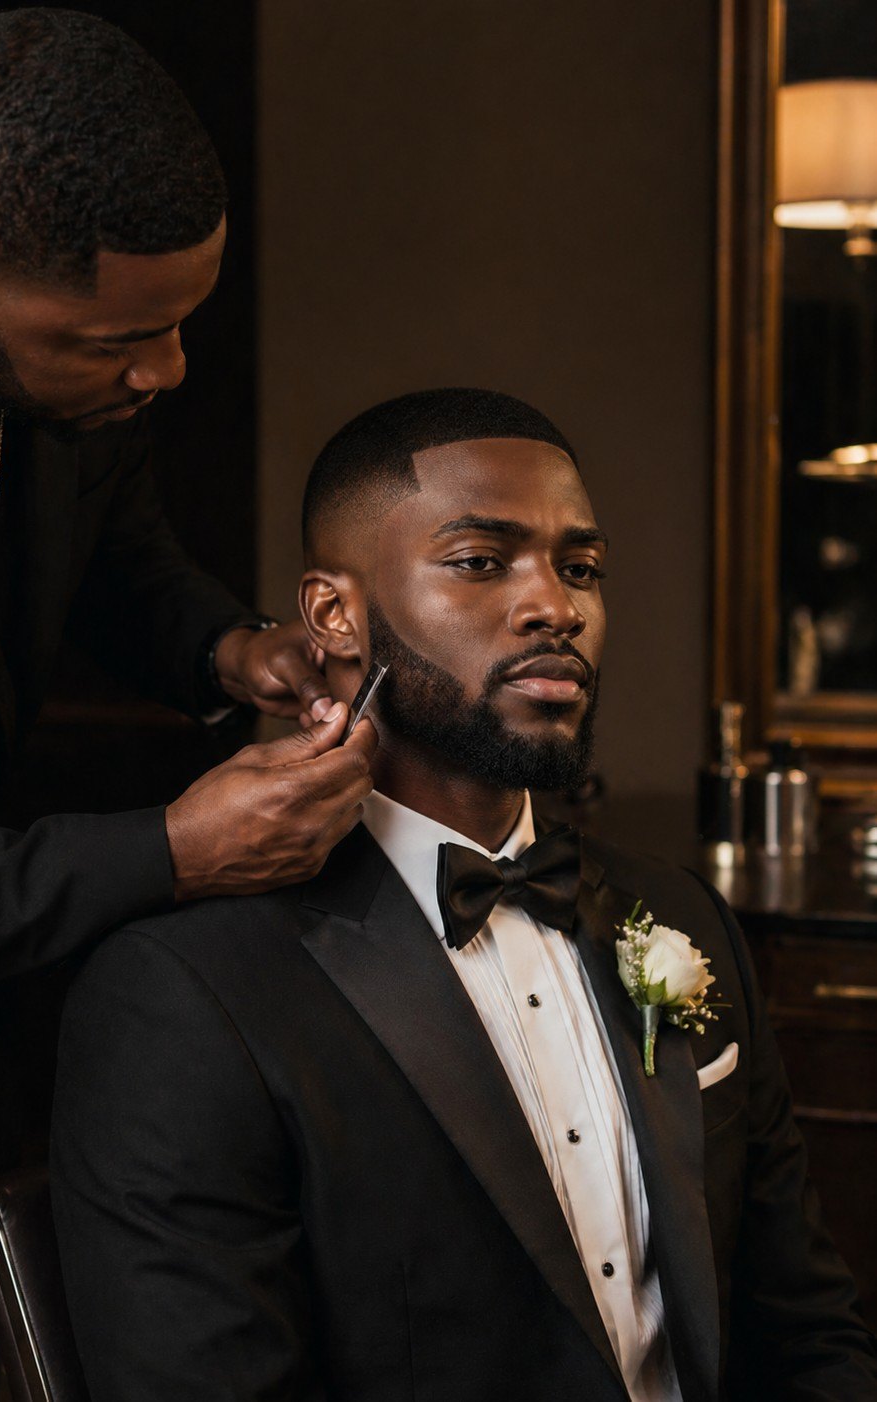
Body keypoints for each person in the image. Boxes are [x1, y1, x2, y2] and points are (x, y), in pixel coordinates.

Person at [0, 11, 376, 1400]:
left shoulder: (49, 318)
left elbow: (112, 556)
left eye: (178, 323)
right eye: (127, 339)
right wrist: (174, 849)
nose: (165, 373)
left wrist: (232, 649)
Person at [52, 388, 877, 1402]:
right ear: (334, 615)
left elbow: (804, 1327)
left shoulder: (679, 919)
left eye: (580, 569)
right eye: (481, 561)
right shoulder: (184, 994)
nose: (557, 607)